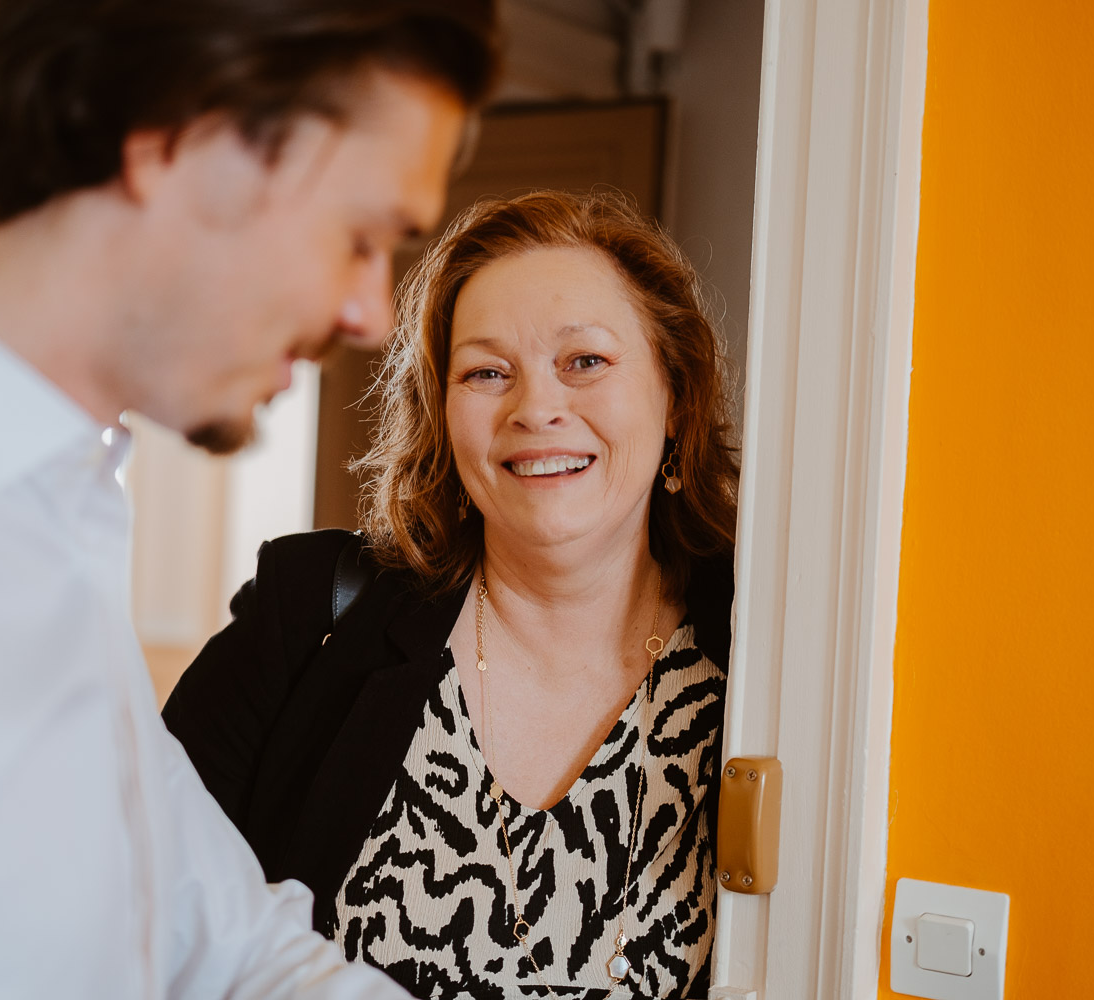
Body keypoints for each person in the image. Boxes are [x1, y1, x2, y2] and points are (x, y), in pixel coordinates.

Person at [0, 1, 497, 997]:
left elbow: (231, 947)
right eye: (360, 234)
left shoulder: (42, 509)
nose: (368, 313)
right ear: (179, 134)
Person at [163, 189, 742, 998]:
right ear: (441, 415)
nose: (536, 408)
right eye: (486, 372)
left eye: (585, 362)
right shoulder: (307, 615)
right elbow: (132, 901)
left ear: (675, 397)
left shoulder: (760, 660)